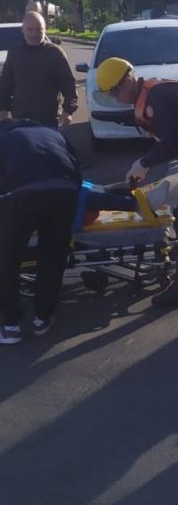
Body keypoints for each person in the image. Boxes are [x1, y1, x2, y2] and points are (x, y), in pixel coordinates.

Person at [94, 57, 178, 309]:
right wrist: (143, 164)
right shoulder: (149, 95)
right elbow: (167, 139)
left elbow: (171, 143)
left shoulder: (158, 98)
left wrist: (144, 163)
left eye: (116, 90)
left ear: (129, 78)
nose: (116, 97)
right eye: (110, 94)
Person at [0, 120, 81, 344]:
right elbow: (76, 169)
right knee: (52, 257)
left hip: (22, 196)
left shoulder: (5, 139)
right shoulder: (55, 135)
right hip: (65, 192)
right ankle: (42, 318)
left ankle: (11, 326)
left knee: (7, 259)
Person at [0, 11, 77, 129]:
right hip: (20, 119)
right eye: (30, 29)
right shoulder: (15, 53)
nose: (34, 33)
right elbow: (6, 84)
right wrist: (3, 108)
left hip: (48, 119)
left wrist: (68, 111)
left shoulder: (55, 53)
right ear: (23, 30)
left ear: (45, 29)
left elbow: (68, 83)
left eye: (39, 29)